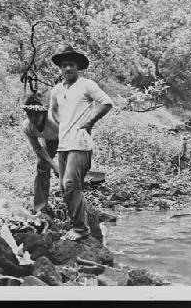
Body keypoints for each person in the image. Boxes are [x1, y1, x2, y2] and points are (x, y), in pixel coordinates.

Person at [50, 44, 113, 241]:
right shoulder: (57, 90)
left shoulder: (87, 85)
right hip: (63, 144)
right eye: (64, 65)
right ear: (60, 68)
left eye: (71, 65)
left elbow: (106, 102)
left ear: (78, 67)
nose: (67, 69)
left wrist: (90, 121)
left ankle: (80, 228)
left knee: (70, 183)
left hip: (80, 143)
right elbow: (53, 113)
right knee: (64, 186)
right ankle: (80, 225)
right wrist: (63, 127)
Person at [21, 93, 60, 214]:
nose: (33, 118)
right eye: (29, 114)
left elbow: (70, 140)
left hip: (66, 139)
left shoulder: (55, 122)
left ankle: (73, 205)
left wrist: (59, 165)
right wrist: (52, 164)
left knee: (68, 171)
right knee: (42, 167)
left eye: (36, 115)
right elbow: (38, 148)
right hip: (49, 140)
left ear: (43, 114)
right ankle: (40, 208)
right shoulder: (27, 126)